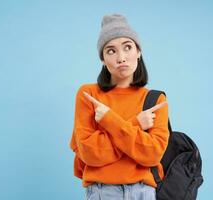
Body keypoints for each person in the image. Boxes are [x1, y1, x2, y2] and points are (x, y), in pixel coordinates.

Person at [69, 13, 169, 200]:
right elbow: (90, 154)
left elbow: (153, 155)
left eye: (127, 47)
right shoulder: (88, 95)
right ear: (103, 59)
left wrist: (109, 121)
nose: (121, 57)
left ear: (138, 52)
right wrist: (136, 124)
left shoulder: (155, 99)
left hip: (143, 193)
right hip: (102, 192)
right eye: (111, 51)